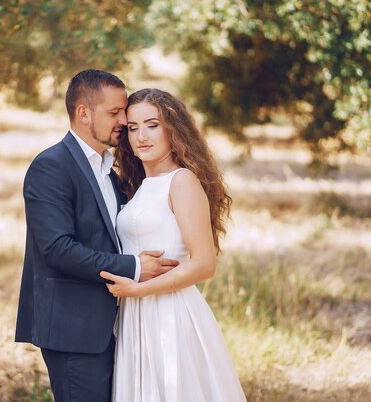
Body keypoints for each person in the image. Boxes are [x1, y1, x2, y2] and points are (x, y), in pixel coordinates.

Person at [15, 70, 179, 402]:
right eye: (115, 112)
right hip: (73, 328)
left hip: (116, 326)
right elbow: (58, 249)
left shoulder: (110, 168)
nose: (124, 119)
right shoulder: (52, 167)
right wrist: (134, 267)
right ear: (84, 114)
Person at [100, 88, 248, 401]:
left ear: (172, 129)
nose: (142, 136)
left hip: (168, 312)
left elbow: (204, 264)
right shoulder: (139, 187)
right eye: (133, 128)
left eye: (152, 125)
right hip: (133, 314)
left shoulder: (181, 181)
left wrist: (138, 290)